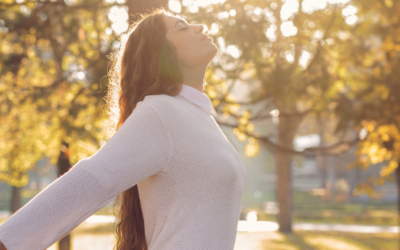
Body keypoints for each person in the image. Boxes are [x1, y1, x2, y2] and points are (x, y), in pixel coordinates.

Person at [0, 7, 247, 250]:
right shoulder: (162, 112)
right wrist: (7, 241)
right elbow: (94, 178)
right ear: (161, 54)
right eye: (183, 28)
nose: (200, 27)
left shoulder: (200, 117)